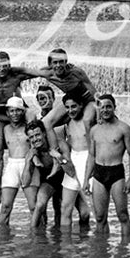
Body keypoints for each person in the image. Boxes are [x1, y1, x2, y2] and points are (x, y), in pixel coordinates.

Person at [85, 94, 130, 241]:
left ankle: (125, 250)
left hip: (116, 174)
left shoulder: (124, 128)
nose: (105, 110)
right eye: (102, 107)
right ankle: (103, 251)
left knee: (122, 215)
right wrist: (85, 179)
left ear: (114, 107)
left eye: (109, 106)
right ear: (98, 109)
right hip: (99, 173)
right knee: (100, 217)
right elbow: (91, 156)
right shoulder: (94, 130)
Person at [52, 94, 93, 231]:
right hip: (73, 160)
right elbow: (46, 123)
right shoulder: (66, 122)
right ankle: (65, 245)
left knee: (97, 209)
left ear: (81, 105)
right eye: (67, 108)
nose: (71, 110)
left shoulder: (89, 120)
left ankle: (99, 246)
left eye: (74, 106)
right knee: (65, 207)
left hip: (88, 160)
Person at [0, 97, 35, 224]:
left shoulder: (29, 127)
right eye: (11, 111)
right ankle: (2, 241)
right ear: (7, 113)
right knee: (5, 206)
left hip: (27, 164)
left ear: (23, 112)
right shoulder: (4, 128)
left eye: (18, 110)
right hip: (12, 165)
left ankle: (39, 240)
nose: (15, 114)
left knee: (34, 207)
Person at [24, 120, 65, 229]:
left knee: (78, 212)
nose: (35, 139)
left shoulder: (59, 144)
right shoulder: (33, 153)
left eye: (37, 135)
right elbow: (25, 182)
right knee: (40, 204)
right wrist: (28, 162)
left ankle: (59, 236)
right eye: (32, 137)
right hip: (49, 181)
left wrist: (60, 158)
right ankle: (33, 234)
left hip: (65, 178)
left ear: (44, 133)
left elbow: (71, 168)